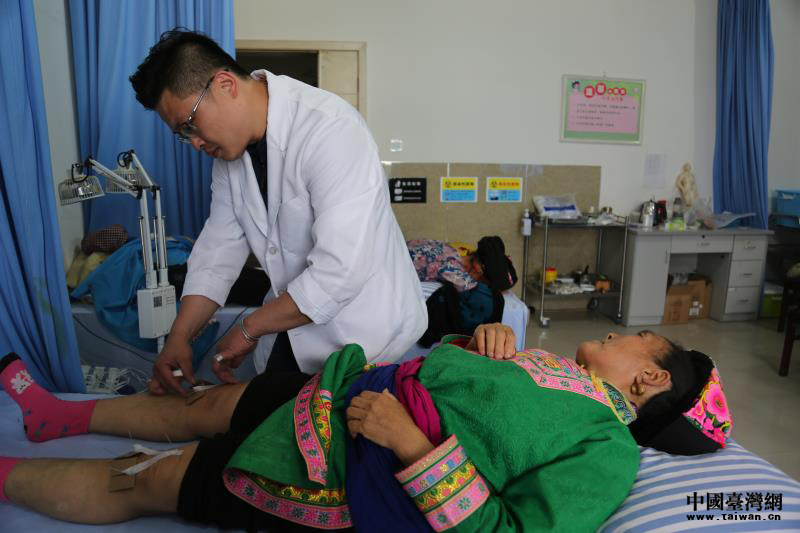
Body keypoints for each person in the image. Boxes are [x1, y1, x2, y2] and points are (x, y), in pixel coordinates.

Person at [0, 324, 731, 531]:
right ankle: (55, 414)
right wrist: (477, 341)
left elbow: (508, 530)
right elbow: (455, 381)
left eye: (638, 337)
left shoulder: (606, 451)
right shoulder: (545, 360)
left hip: (347, 465)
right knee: (198, 407)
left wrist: (409, 442)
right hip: (340, 392)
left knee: (150, 478)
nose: (623, 333)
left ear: (649, 379)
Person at [128, 29, 426, 393]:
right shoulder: (230, 158)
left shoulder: (331, 129)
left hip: (365, 336)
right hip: (291, 328)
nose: (195, 143)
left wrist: (248, 328)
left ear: (224, 85)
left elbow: (341, 270)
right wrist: (180, 336)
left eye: (190, 125)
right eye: (182, 134)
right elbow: (217, 255)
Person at [407, 236, 517, 293]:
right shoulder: (456, 274)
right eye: (485, 283)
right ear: (477, 269)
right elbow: (479, 294)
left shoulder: (449, 249)